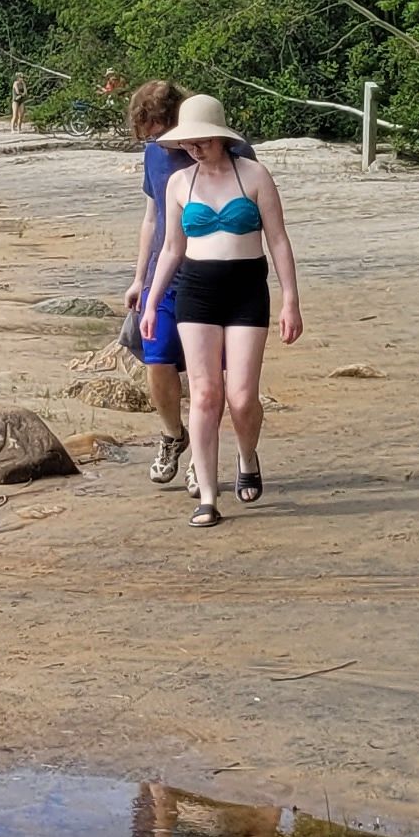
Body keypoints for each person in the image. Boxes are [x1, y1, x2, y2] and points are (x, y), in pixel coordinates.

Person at [156, 93, 301, 523]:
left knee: (240, 398)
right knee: (203, 395)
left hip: (246, 290)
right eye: (186, 143)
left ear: (220, 137)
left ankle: (247, 455)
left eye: (200, 141)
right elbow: (170, 247)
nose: (193, 149)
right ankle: (208, 497)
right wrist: (149, 299)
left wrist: (291, 299)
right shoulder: (179, 183)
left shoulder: (254, 175)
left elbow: (278, 239)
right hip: (196, 292)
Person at [116, 79, 187, 485]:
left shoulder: (225, 150)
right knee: (157, 360)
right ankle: (173, 434)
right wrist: (138, 279)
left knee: (205, 370)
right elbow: (151, 217)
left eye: (159, 127)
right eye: (148, 130)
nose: (155, 137)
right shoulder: (153, 155)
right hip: (163, 276)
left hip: (208, 275)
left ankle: (204, 459)